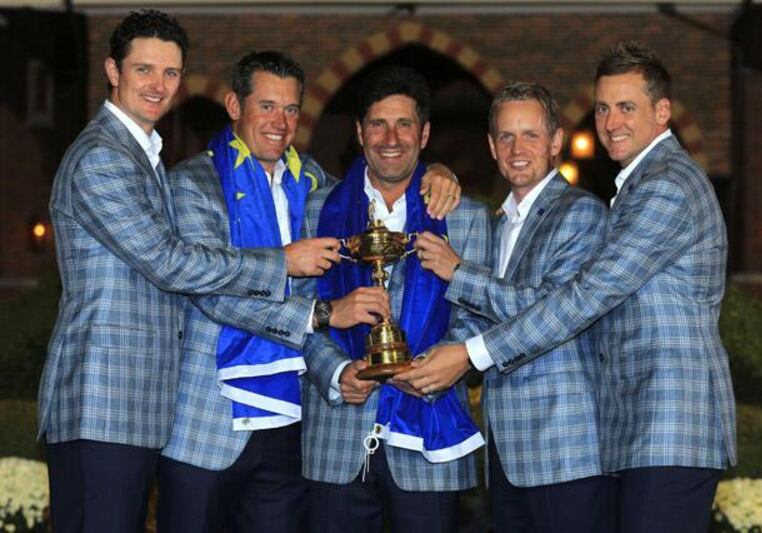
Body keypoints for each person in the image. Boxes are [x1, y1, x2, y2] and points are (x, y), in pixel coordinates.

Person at [400, 41, 737, 533]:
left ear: (662, 112)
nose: (611, 121)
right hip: (638, 426)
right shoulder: (638, 185)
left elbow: (585, 297)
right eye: (603, 108)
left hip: (671, 421)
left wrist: (472, 353)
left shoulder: (666, 184)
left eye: (627, 107)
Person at [38, 12, 342, 533]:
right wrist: (282, 261)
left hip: (135, 402)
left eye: (171, 73)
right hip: (102, 396)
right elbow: (168, 262)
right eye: (145, 70)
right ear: (114, 71)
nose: (159, 86)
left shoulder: (142, 155)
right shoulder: (101, 158)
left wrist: (436, 177)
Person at [157, 52, 461, 533]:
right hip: (209, 424)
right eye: (268, 106)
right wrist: (320, 312)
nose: (281, 123)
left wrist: (435, 171)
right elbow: (208, 292)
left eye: (292, 110)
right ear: (235, 105)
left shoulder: (313, 184)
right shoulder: (193, 183)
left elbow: (383, 182)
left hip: (288, 426)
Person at [398, 81, 615, 532]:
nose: (518, 149)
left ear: (555, 142)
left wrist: (459, 272)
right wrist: (423, 365)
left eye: (531, 135)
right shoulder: (497, 223)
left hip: (566, 453)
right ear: (492, 146)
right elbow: (482, 314)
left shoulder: (580, 214)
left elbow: (552, 311)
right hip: (507, 454)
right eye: (506, 137)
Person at [296, 65, 491, 533]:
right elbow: (295, 310)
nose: (391, 137)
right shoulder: (317, 209)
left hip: (428, 432)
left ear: (424, 134)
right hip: (337, 434)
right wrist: (336, 370)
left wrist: (433, 367)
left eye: (404, 124)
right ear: (360, 132)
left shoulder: (465, 216)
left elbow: (479, 313)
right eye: (378, 123)